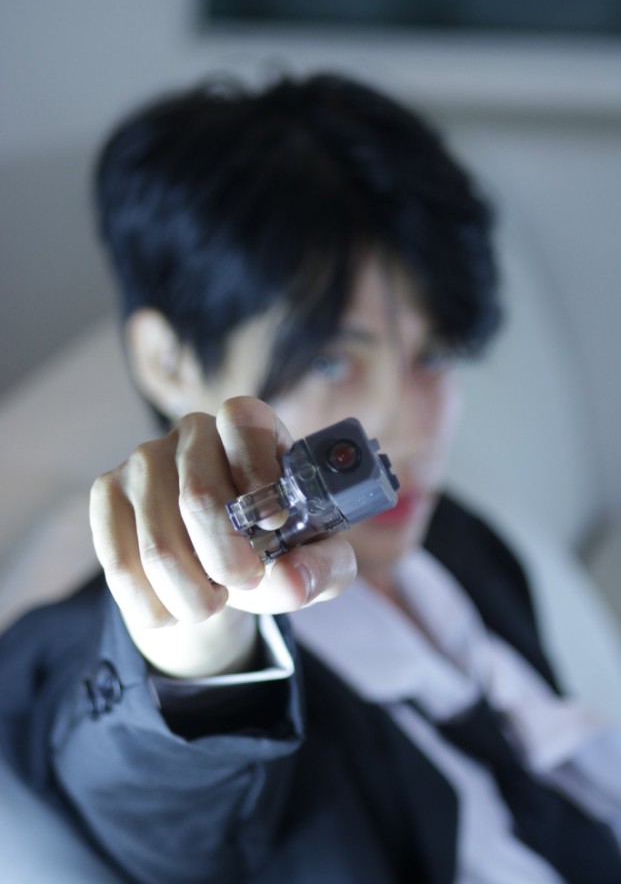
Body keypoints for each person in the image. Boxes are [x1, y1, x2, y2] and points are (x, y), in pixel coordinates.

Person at [1, 72, 620, 884]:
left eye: (432, 355)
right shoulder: (73, 643)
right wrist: (197, 656)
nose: (406, 426)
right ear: (170, 360)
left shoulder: (464, 540)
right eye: (331, 360)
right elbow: (155, 798)